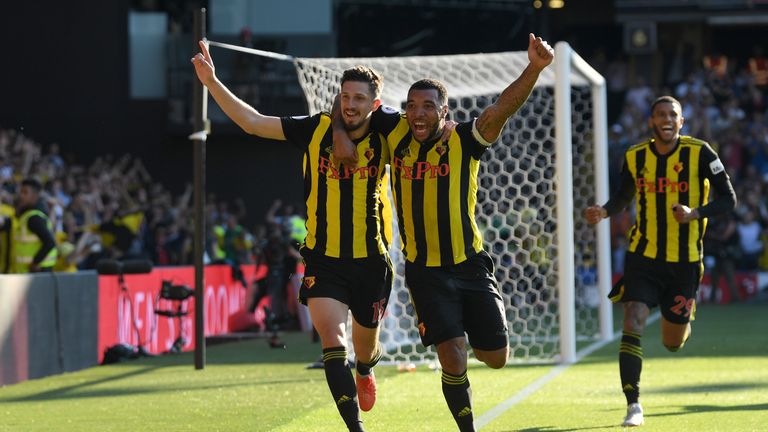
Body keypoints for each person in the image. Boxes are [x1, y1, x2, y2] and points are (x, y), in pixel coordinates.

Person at [333, 32, 555, 432]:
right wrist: (336, 131)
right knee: (452, 355)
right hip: (425, 273)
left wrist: (535, 68)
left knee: (496, 357)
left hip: (470, 265)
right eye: (411, 107)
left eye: (428, 107)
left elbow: (501, 108)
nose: (418, 114)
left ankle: (470, 326)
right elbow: (352, 105)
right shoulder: (394, 131)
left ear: (444, 112)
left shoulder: (466, 140)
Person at [192, 41, 392, 432]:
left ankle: (366, 370)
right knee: (333, 340)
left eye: (359, 98)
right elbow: (252, 122)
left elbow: (426, 130)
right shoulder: (314, 128)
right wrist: (212, 82)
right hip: (323, 259)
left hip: (371, 260)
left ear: (375, 102)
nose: (350, 104)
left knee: (364, 347)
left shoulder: (389, 132)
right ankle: (356, 428)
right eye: (345, 96)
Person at [584, 95, 737, 427]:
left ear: (681, 122)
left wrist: (695, 213)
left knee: (672, 342)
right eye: (660, 115)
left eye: (673, 115)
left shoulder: (701, 153)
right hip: (643, 256)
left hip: (685, 262)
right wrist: (606, 211)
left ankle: (684, 314)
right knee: (633, 318)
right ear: (651, 121)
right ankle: (633, 404)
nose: (667, 119)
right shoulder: (635, 156)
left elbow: (729, 199)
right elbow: (624, 194)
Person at [5, 178, 58, 272]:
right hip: (23, 273)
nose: (21, 195)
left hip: (35, 274)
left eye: (25, 192)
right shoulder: (25, 215)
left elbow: (50, 242)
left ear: (35, 195)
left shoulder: (34, 218)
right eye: (20, 192)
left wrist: (35, 262)